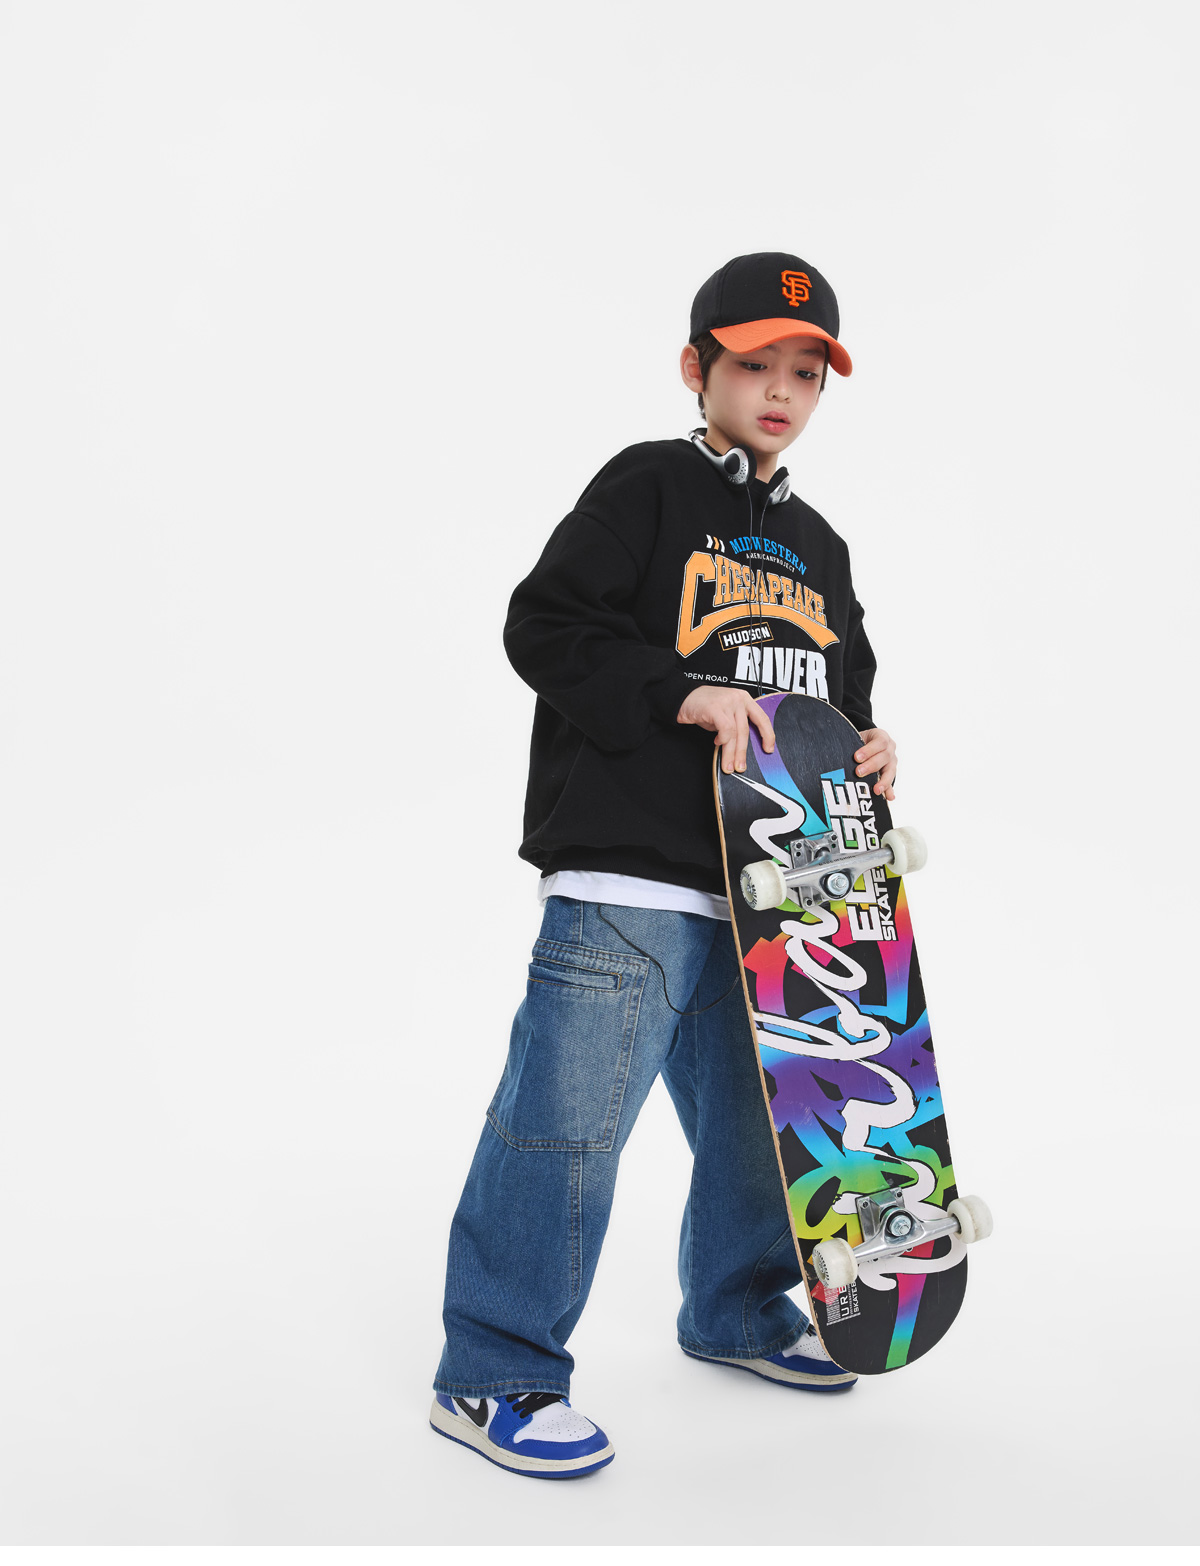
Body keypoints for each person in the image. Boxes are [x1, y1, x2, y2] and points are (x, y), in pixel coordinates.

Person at [428, 252, 897, 1479]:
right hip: (629, 880)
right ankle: (492, 1371)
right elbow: (544, 623)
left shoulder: (822, 546)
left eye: (807, 373)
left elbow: (840, 696)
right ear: (698, 368)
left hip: (775, 894)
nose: (781, 391)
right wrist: (677, 692)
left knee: (763, 1129)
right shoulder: (645, 486)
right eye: (755, 365)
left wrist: (869, 750)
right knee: (567, 1130)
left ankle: (737, 1311)